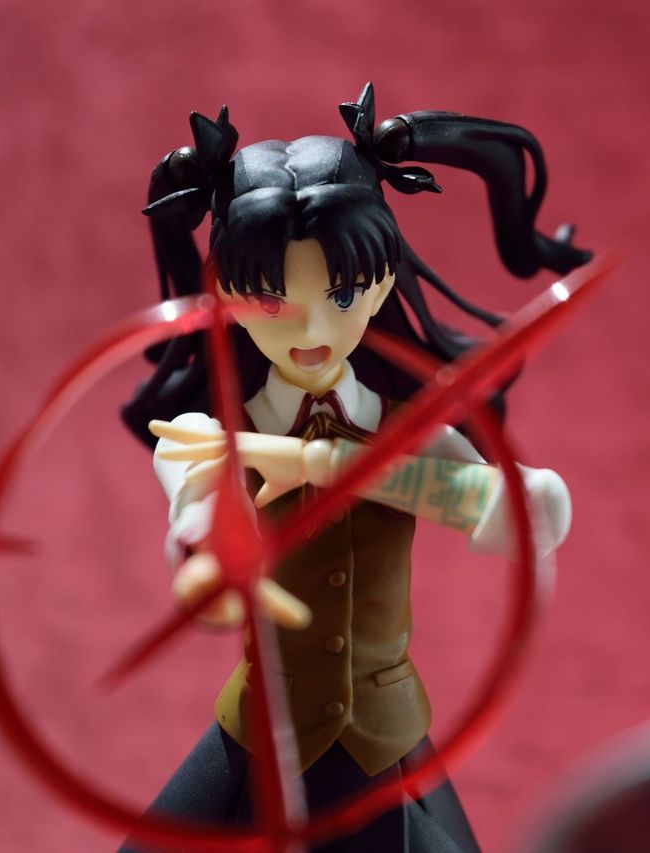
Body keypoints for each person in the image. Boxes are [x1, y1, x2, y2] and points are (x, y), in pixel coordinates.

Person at [119, 83, 587, 852]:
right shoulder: (210, 433)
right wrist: (209, 556)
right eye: (273, 300)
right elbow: (198, 509)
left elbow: (514, 509)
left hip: (383, 737)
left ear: (382, 285)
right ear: (227, 295)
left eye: (341, 294)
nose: (311, 328)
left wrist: (321, 462)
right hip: (265, 733)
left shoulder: (410, 425)